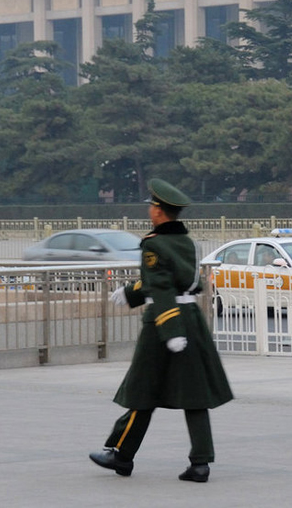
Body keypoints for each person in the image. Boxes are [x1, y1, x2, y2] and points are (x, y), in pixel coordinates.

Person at [90, 179, 234, 483]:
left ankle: (121, 454)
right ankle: (200, 463)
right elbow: (190, 282)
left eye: (152, 206)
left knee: (142, 390)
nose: (150, 210)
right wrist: (132, 292)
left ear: (159, 212)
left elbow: (163, 287)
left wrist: (169, 329)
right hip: (191, 318)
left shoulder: (153, 244)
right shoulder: (189, 244)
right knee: (194, 394)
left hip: (162, 322)